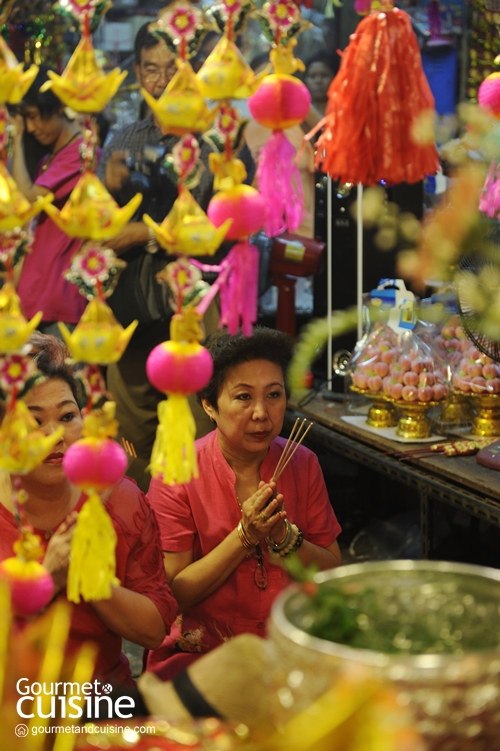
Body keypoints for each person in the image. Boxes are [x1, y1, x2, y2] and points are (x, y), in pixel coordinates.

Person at [97, 23, 255, 491]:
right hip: (131, 302)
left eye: (173, 67)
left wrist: (143, 231)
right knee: (132, 419)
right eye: (152, 68)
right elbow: (101, 229)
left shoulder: (217, 141)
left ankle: (201, 528)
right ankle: (141, 524)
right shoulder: (123, 141)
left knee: (203, 420)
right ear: (137, 73)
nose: (163, 79)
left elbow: (226, 226)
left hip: (196, 304)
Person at [146, 327, 342, 680]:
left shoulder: (302, 462)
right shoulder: (177, 473)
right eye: (242, 397)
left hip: (287, 648)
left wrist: (286, 538)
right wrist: (244, 535)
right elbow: (173, 594)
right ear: (209, 405)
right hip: (202, 654)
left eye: (273, 395)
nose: (261, 413)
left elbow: (331, 574)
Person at [0, 334, 177, 687]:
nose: (55, 435)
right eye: (34, 422)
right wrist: (48, 579)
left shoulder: (119, 499)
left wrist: (92, 580)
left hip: (99, 696)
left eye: (67, 416)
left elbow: (155, 630)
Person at [10, 65, 89, 337]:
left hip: (61, 301)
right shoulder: (48, 161)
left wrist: (17, 139)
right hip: (35, 299)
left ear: (55, 107)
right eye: (25, 121)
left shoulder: (80, 154)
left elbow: (27, 200)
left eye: (34, 118)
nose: (31, 128)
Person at [303, 50, 339, 118]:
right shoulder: (299, 115)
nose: (318, 81)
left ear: (336, 78)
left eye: (324, 75)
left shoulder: (341, 113)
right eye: (312, 76)